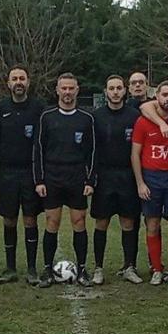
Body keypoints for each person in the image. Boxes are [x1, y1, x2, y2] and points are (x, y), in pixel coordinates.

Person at [34, 73, 96, 288]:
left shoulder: (87, 118)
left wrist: (90, 180)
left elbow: (92, 152)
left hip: (77, 177)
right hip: (52, 177)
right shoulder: (47, 117)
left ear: (77, 90)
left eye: (71, 88)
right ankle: (47, 270)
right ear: (57, 90)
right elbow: (39, 150)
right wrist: (39, 179)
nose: (67, 92)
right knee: (52, 222)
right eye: (64, 88)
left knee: (79, 222)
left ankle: (81, 269)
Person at [131, 80, 168, 286]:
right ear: (157, 96)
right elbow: (135, 154)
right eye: (165, 95)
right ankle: (156, 269)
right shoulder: (143, 121)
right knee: (152, 224)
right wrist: (140, 183)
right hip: (151, 178)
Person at [0, 65, 45, 285]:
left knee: (30, 218)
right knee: (9, 218)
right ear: (8, 83)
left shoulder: (39, 108)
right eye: (14, 78)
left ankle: (32, 268)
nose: (18, 82)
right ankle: (10, 267)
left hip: (30, 171)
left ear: (28, 82)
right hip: (7, 172)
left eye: (22, 78)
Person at [90, 75, 142, 284]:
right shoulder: (96, 116)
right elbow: (90, 149)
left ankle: (129, 267)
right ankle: (99, 268)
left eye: (119, 88)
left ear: (124, 91)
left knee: (128, 222)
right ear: (106, 92)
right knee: (101, 222)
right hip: (104, 176)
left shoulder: (134, 115)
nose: (115, 92)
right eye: (111, 88)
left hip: (127, 175)